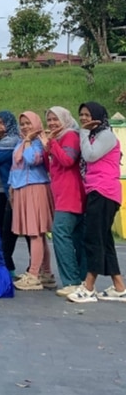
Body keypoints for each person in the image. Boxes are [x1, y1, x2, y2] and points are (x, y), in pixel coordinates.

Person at [67, 102, 126, 304]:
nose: (83, 118)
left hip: (104, 192)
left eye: (88, 114)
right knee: (104, 240)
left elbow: (90, 155)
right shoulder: (93, 136)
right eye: (81, 114)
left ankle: (89, 287)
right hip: (96, 191)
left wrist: (83, 132)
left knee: (93, 239)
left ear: (99, 116)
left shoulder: (106, 135)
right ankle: (119, 288)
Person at [41, 106, 86, 297]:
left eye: (55, 119)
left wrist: (51, 142)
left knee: (60, 233)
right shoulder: (58, 138)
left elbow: (68, 160)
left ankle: (72, 281)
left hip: (71, 193)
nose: (52, 123)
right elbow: (49, 165)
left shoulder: (70, 136)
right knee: (76, 237)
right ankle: (82, 280)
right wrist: (47, 147)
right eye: (49, 120)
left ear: (65, 119)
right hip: (61, 194)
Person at [10, 112, 54, 291]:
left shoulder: (39, 143)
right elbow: (15, 166)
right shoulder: (21, 142)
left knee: (36, 232)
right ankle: (46, 273)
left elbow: (32, 160)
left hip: (35, 188)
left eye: (28, 123)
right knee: (36, 234)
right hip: (22, 188)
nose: (25, 127)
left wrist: (28, 140)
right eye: (22, 124)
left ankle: (34, 275)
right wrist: (11, 187)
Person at [0, 110, 20, 274]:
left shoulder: (11, 142)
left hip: (16, 190)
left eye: (2, 123)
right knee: (7, 232)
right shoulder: (4, 142)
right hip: (9, 191)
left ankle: (35, 269)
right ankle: (8, 267)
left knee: (12, 232)